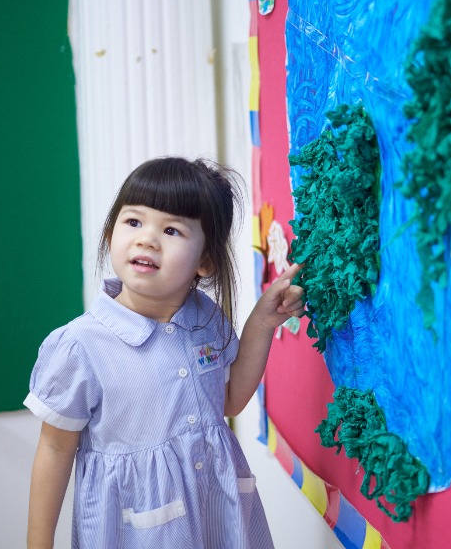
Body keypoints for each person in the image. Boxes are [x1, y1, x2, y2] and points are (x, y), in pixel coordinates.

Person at [24, 157, 304, 549]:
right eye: (134, 222)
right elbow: (54, 449)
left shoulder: (205, 317)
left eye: (171, 229)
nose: (147, 239)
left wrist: (260, 322)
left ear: (205, 262)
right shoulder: (80, 346)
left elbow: (228, 400)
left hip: (217, 517)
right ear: (110, 234)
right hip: (136, 530)